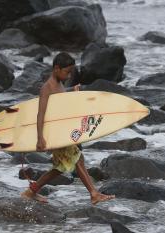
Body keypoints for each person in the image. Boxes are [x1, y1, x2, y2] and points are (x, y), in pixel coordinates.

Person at [21, 52, 115, 204]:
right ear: (56, 68)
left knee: (61, 166)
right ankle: (93, 193)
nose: (69, 75)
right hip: (57, 134)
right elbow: (41, 114)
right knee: (77, 160)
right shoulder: (47, 87)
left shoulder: (59, 85)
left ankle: (30, 192)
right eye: (67, 72)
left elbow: (60, 103)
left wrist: (72, 93)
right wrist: (40, 138)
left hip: (63, 131)